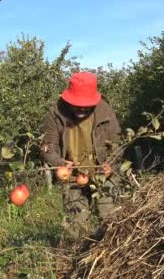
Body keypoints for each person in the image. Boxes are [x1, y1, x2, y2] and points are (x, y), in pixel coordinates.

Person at [41, 72, 123, 238]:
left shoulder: (105, 111)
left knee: (110, 219)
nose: (82, 108)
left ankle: (109, 256)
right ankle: (79, 257)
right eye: (77, 103)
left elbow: (117, 144)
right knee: (77, 225)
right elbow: (48, 146)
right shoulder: (55, 114)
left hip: (103, 173)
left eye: (86, 104)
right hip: (72, 176)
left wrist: (111, 164)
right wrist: (59, 162)